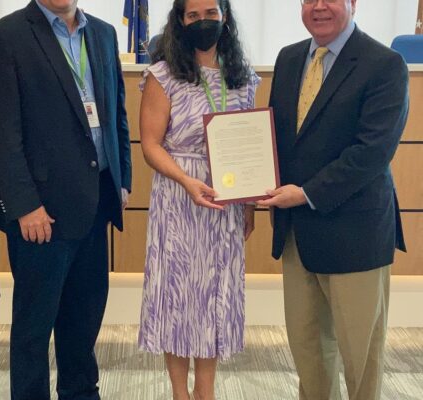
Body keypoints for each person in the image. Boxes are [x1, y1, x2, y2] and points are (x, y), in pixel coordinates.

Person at [0, 0, 132, 398]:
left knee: (83, 321)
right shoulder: (5, 36)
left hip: (95, 204)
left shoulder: (102, 32)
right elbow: (0, 132)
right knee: (34, 329)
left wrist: (122, 179)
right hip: (40, 215)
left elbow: (116, 111)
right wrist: (25, 205)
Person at [258, 1, 408, 399]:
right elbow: (276, 136)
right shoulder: (289, 59)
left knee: (361, 361)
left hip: (355, 236)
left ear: (353, 4)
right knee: (309, 354)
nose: (319, 6)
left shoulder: (384, 64)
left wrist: (306, 194)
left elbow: (372, 152)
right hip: (297, 236)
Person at [137, 0, 259, 399]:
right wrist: (187, 181)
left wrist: (251, 203)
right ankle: (179, 391)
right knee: (177, 297)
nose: (203, 22)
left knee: (214, 298)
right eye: (193, 15)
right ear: (180, 21)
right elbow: (151, 146)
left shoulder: (242, 77)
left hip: (227, 204)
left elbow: (250, 147)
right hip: (180, 198)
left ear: (225, 17)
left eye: (211, 14)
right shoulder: (164, 75)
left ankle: (206, 389)